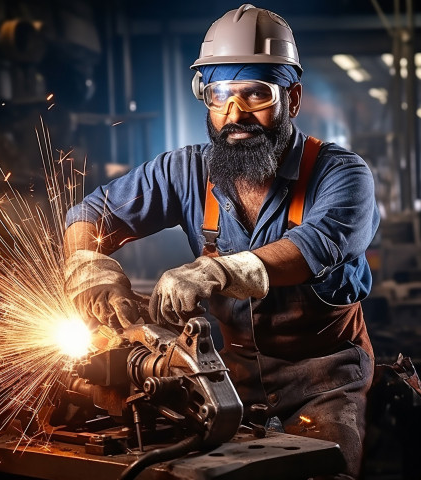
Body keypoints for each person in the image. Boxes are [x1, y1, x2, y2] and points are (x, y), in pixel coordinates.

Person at [64, 5, 379, 479]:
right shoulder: (185, 170)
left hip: (323, 383)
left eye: (255, 93)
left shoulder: (341, 175)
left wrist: (219, 270)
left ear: (291, 99)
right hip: (226, 382)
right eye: (218, 95)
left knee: (321, 470)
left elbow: (316, 244)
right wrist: (90, 265)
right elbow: (90, 213)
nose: (235, 113)